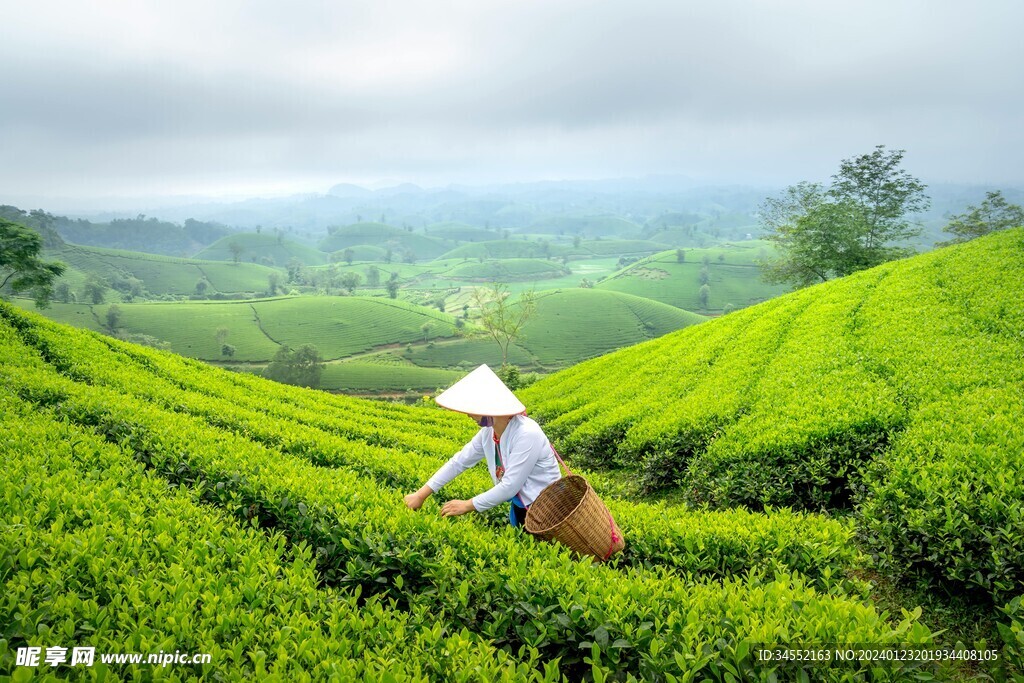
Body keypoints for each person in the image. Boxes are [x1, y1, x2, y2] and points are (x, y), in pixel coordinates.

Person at [403, 364, 561, 527]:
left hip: (549, 510)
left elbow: (510, 486)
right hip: (523, 507)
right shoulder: (489, 433)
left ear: (489, 408)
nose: (469, 414)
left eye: (473, 408)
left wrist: (467, 505)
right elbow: (459, 462)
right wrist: (421, 495)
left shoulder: (527, 433)